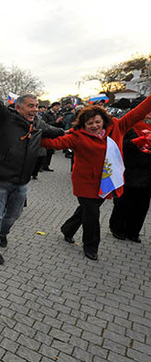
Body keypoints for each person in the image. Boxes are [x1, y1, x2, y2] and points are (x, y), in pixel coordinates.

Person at [41, 99, 151, 260]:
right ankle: (91, 246)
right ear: (83, 124)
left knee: (86, 210)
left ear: (104, 121)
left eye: (97, 122)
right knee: (92, 214)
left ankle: (68, 228)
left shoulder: (117, 128)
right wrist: (32, 136)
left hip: (106, 182)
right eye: (90, 123)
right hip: (85, 183)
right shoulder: (77, 136)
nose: (94, 126)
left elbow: (138, 112)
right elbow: (55, 143)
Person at [0, 66, 64, 265]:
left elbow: (58, 132)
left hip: (22, 183)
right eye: (30, 105)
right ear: (19, 108)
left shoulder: (39, 125)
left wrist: (80, 127)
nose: (35, 109)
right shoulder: (5, 118)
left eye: (36, 105)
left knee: (13, 215)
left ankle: (2, 235)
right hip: (1, 180)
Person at [109, 112, 151, 242]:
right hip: (130, 169)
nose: (149, 115)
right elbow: (118, 143)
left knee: (142, 204)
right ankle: (117, 228)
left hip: (147, 172)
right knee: (125, 201)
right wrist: (133, 142)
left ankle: (133, 232)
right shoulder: (128, 125)